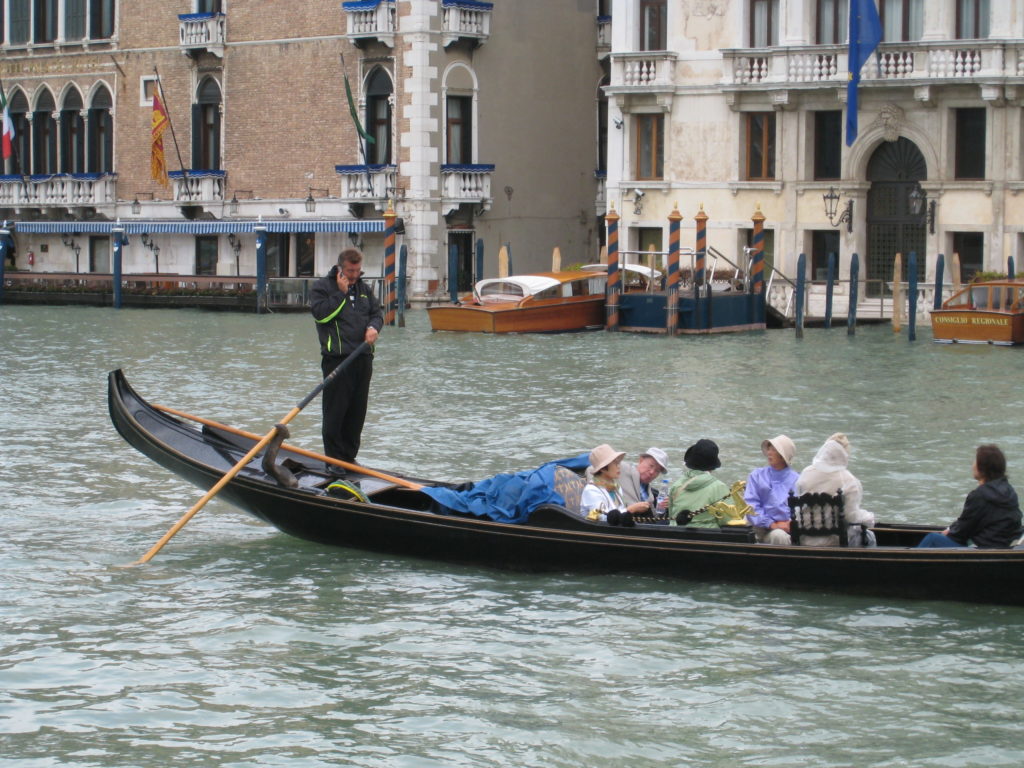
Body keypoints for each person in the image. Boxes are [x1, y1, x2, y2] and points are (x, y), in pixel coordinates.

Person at [310, 248, 383, 465]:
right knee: (335, 412)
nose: (354, 276)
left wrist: (373, 327)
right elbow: (321, 316)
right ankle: (334, 460)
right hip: (338, 359)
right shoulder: (322, 288)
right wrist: (341, 293)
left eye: (358, 271)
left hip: (363, 357)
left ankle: (349, 458)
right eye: (350, 271)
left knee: (357, 412)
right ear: (341, 269)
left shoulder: (363, 288)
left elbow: (377, 313)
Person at [917, 444, 1023, 548]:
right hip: (1002, 544)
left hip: (982, 548)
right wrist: (950, 529)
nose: (973, 465)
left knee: (932, 539)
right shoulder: (1009, 491)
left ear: (983, 467)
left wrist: (949, 533)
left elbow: (961, 532)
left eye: (975, 461)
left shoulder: (979, 495)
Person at [795, 433, 875, 547]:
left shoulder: (806, 473)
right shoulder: (848, 480)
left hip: (805, 540)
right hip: (834, 542)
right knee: (870, 536)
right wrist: (868, 517)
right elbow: (852, 517)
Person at [744, 434, 799, 545]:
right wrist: (772, 524)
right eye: (769, 449)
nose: (769, 452)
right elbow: (751, 505)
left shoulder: (797, 479)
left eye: (774, 449)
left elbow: (800, 508)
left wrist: (789, 523)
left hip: (787, 529)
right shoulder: (757, 475)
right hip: (760, 528)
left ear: (783, 455)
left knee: (779, 536)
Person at [580, 444, 651, 524]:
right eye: (615, 464)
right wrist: (631, 509)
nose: (619, 467)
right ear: (603, 468)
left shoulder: (615, 487)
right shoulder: (591, 490)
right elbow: (602, 518)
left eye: (618, 463)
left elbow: (619, 511)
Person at [667, 439, 731, 527]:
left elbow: (671, 515)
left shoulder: (676, 485)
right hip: (706, 538)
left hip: (675, 536)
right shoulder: (719, 487)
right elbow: (728, 521)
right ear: (713, 466)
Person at [619, 447, 669, 513]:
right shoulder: (622, 469)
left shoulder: (651, 495)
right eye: (651, 466)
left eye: (657, 471)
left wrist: (668, 506)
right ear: (641, 460)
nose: (652, 472)